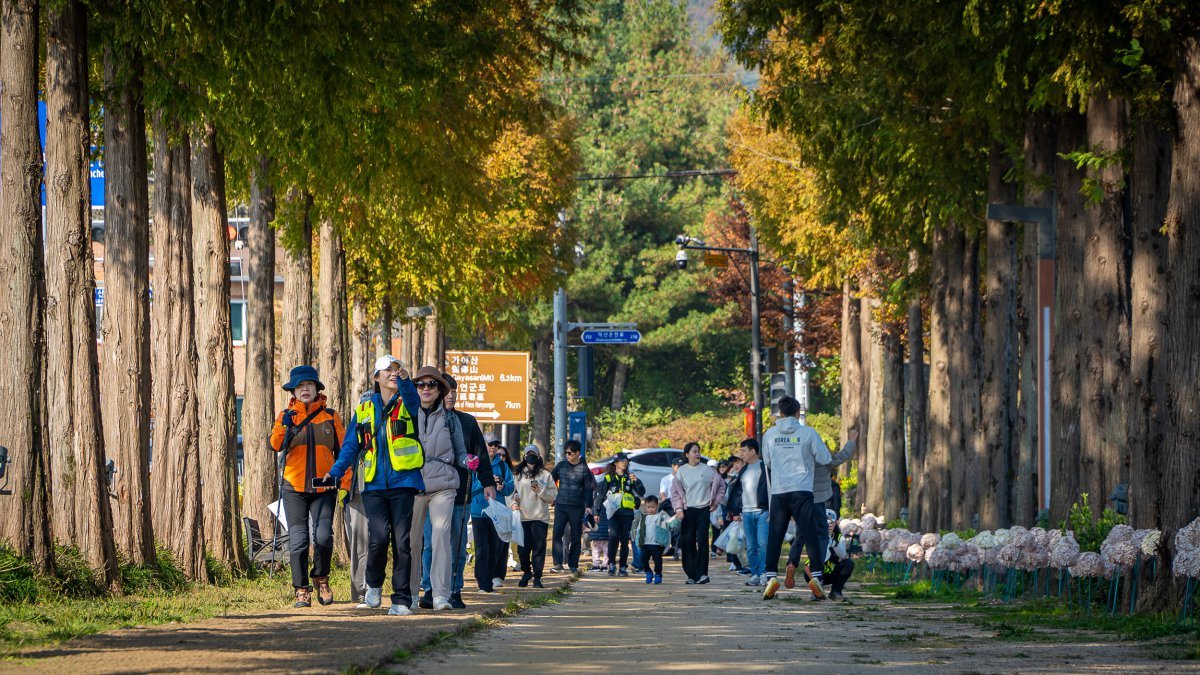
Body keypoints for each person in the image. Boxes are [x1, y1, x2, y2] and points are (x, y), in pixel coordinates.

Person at [326, 356, 422, 616]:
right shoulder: (365, 408)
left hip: (404, 482)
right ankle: (374, 586)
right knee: (378, 539)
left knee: (402, 542)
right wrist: (335, 472)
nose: (393, 373)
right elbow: (350, 446)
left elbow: (414, 401)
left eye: (396, 369)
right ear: (376, 377)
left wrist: (405, 379)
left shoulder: (408, 402)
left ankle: (401, 600)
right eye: (387, 370)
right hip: (374, 485)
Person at [269, 365, 348, 609]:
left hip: (324, 487)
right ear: (293, 391)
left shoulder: (330, 416)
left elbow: (344, 451)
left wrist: (344, 482)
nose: (305, 389)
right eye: (300, 386)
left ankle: (321, 579)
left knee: (323, 537)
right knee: (298, 540)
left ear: (317, 389)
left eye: (309, 385)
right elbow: (275, 444)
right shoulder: (285, 416)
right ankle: (301, 589)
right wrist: (285, 425)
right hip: (293, 487)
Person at [419, 374, 495, 609]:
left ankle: (455, 588)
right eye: (447, 391)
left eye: (454, 391)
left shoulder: (466, 422)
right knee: (432, 542)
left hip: (461, 492)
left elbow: (481, 454)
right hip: (431, 490)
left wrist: (487, 482)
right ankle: (430, 589)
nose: (451, 396)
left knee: (458, 544)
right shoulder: (423, 418)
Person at [408, 366, 477, 612]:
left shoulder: (450, 419)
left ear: (439, 390)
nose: (426, 389)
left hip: (444, 486)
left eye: (432, 385)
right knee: (414, 542)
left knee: (441, 536)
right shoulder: (406, 413)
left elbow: (460, 452)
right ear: (415, 388)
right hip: (413, 485)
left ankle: (440, 595)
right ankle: (411, 594)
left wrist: (468, 462)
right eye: (421, 384)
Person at [760, 396, 833, 601]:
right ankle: (816, 576)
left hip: (780, 490)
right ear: (798, 412)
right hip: (802, 489)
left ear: (779, 412)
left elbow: (767, 461)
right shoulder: (808, 433)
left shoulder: (770, 434)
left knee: (775, 534)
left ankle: (770, 577)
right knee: (810, 534)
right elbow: (825, 458)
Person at [785, 429, 858, 590]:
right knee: (820, 538)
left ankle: (792, 562)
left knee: (800, 536)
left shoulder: (800, 460)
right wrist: (852, 439)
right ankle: (817, 571)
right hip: (818, 502)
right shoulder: (826, 460)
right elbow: (843, 455)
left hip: (802, 502)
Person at [670, 442, 726, 584]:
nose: (697, 454)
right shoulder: (682, 471)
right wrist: (678, 509)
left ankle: (702, 574)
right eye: (694, 451)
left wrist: (716, 501)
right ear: (687, 454)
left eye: (698, 451)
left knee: (702, 541)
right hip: (688, 511)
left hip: (703, 510)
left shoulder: (708, 470)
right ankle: (691, 574)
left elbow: (721, 486)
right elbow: (675, 492)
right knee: (687, 542)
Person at [471, 434, 514, 592]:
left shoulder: (503, 466)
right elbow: (470, 489)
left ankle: (490, 580)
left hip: (497, 513)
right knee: (481, 549)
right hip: (478, 513)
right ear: (483, 445)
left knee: (495, 548)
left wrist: (501, 485)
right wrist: (486, 483)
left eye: (496, 444)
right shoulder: (475, 464)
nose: (493, 447)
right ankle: (483, 583)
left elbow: (510, 488)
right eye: (490, 444)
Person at [512, 446, 558, 587]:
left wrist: (540, 490)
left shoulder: (545, 475)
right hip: (523, 517)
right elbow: (511, 493)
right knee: (523, 550)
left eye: (534, 454)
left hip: (540, 517)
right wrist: (513, 502)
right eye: (528, 454)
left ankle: (537, 577)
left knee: (539, 548)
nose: (531, 456)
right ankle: (527, 571)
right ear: (525, 456)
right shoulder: (518, 475)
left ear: (538, 456)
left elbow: (552, 497)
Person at [727, 438, 769, 587]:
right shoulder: (743, 470)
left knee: (763, 544)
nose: (741, 454)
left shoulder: (765, 467)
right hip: (746, 512)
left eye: (744, 451)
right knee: (750, 546)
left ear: (753, 451)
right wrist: (735, 510)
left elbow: (772, 489)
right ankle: (755, 574)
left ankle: (765, 574)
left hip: (763, 511)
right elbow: (738, 492)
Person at [594, 452, 645, 576]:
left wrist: (637, 481)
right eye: (622, 461)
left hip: (627, 513)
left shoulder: (630, 477)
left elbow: (641, 492)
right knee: (613, 537)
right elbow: (601, 495)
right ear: (615, 463)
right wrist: (597, 512)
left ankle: (623, 566)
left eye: (627, 461)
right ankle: (611, 564)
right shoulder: (608, 478)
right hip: (613, 513)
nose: (625, 463)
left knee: (624, 539)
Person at [550, 439, 593, 574]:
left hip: (577, 507)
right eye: (566, 453)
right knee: (557, 534)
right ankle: (557, 563)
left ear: (577, 453)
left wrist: (589, 506)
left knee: (576, 536)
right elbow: (551, 480)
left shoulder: (584, 469)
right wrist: (552, 496)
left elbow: (588, 489)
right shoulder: (561, 466)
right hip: (561, 505)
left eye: (570, 453)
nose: (567, 455)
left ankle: (573, 564)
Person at [631, 495, 682, 584]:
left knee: (658, 560)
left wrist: (677, 519)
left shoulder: (662, 516)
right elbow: (639, 530)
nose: (651, 509)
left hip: (657, 544)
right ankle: (648, 572)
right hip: (645, 544)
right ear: (645, 507)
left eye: (653, 507)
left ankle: (658, 574)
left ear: (657, 506)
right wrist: (637, 540)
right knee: (643, 559)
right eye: (648, 507)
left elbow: (670, 523)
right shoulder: (643, 518)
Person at [820, 509, 854, 601]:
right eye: (826, 522)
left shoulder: (839, 537)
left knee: (848, 563)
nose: (829, 525)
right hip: (816, 572)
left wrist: (832, 543)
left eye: (832, 522)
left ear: (835, 523)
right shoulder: (816, 536)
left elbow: (842, 555)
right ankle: (817, 591)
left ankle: (836, 591)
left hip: (832, 572)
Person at [588, 504, 610, 571]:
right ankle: (605, 565)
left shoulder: (595, 506)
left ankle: (596, 565)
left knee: (596, 549)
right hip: (607, 532)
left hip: (596, 531)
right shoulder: (610, 505)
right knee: (606, 549)